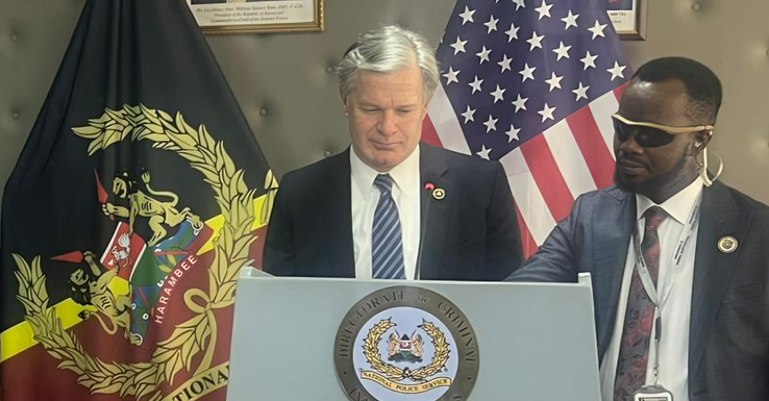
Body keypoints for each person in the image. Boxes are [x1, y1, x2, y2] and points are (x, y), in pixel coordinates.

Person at [508, 57, 769, 401]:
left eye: (650, 135)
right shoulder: (591, 216)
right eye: (622, 129)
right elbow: (518, 299)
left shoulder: (757, 232)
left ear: (699, 139)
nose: (629, 146)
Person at [263, 25, 523, 281]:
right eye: (371, 109)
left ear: (425, 106)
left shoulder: (480, 187)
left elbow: (508, 297)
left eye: (404, 110)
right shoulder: (300, 194)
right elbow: (280, 301)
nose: (387, 128)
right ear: (345, 101)